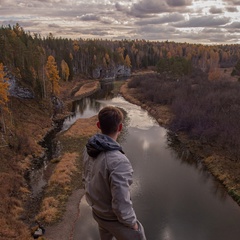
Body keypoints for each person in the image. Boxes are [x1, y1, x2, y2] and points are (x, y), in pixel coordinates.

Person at [83, 106, 146, 240]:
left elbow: (86, 179)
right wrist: (132, 224)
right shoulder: (119, 161)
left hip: (98, 213)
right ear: (120, 127)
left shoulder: (88, 149)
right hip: (113, 219)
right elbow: (120, 202)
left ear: (98, 125)